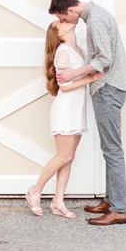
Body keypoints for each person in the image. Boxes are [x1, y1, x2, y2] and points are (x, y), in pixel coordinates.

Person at [48, 0, 126, 226]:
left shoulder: (94, 20)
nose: (65, 23)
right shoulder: (95, 16)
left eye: (64, 18)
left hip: (108, 88)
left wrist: (74, 72)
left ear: (72, 10)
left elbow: (104, 59)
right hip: (108, 87)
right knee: (108, 148)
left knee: (112, 149)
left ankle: (119, 209)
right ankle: (110, 200)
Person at [25, 16, 104, 218]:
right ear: (59, 33)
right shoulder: (63, 52)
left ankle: (58, 201)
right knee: (63, 156)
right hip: (66, 110)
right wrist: (89, 78)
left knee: (69, 157)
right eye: (61, 22)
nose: (65, 20)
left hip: (76, 109)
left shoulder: (77, 50)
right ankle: (35, 190)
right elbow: (65, 86)